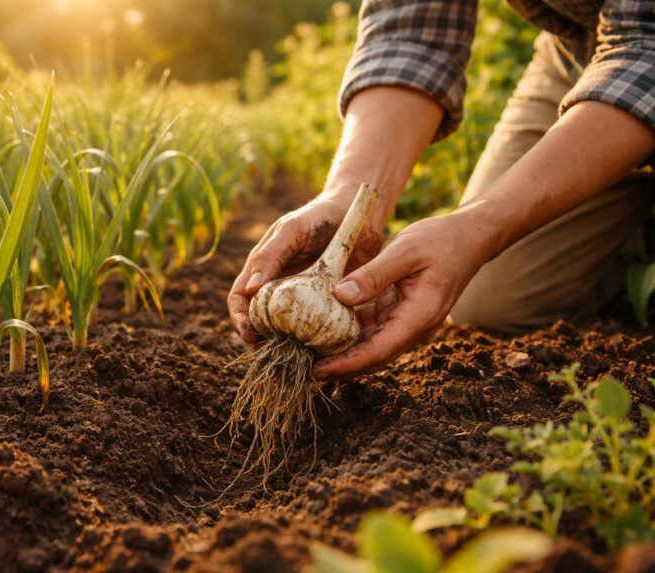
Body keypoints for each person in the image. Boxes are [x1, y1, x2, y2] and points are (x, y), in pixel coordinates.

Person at [228, 0, 655, 379]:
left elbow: (647, 45)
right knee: (487, 300)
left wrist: (478, 227)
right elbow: (410, 33)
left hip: (644, 54)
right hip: (581, 52)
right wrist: (345, 202)